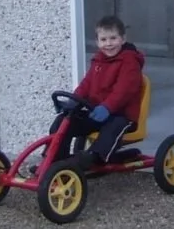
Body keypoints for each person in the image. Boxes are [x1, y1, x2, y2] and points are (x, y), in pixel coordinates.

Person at [49, 15, 145, 170]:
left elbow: (124, 90)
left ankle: (94, 157)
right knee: (63, 121)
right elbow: (86, 84)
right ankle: (55, 161)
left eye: (113, 38)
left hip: (121, 115)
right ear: (97, 41)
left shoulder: (129, 62)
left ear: (123, 39)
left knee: (114, 126)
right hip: (97, 112)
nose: (108, 44)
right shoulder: (98, 60)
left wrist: (107, 107)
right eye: (104, 39)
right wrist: (74, 101)